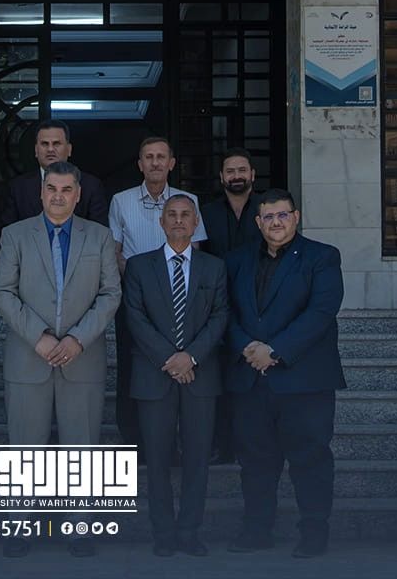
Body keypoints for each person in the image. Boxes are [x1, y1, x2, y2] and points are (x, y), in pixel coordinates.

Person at [0, 161, 121, 557]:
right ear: (41, 192)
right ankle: (19, 525)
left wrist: (79, 339)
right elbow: (3, 291)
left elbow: (111, 293)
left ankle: (79, 527)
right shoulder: (15, 235)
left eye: (67, 189)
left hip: (83, 357)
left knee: (82, 446)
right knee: (23, 448)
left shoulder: (99, 236)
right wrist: (39, 337)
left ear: (78, 195)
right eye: (52, 189)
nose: (59, 196)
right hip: (29, 356)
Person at [220, 188, 345, 558]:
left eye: (283, 215)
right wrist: (247, 346)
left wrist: (274, 351)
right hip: (251, 379)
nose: (276, 222)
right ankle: (257, 530)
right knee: (255, 462)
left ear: (296, 217)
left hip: (304, 381)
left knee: (311, 461)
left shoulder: (322, 257)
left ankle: (314, 533)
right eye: (269, 217)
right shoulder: (236, 260)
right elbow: (224, 312)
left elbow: (321, 312)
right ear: (258, 222)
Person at [121, 195, 227, 557]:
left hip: (201, 375)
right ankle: (163, 534)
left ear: (196, 223)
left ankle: (190, 532)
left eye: (185, 215)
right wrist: (170, 358)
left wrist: (190, 357)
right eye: (172, 215)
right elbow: (135, 317)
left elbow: (220, 316)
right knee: (157, 460)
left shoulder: (214, 267)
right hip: (155, 375)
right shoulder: (139, 266)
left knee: (197, 460)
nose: (179, 220)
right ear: (161, 222)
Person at [106, 135, 205, 445]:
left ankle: (176, 442)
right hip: (134, 301)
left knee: (179, 363)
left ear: (171, 163)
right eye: (149, 157)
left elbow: (195, 251)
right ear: (140, 164)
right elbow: (115, 253)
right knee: (131, 367)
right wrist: (145, 285)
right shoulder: (120, 201)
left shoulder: (188, 201)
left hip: (180, 300)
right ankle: (133, 439)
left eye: (161, 157)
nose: (155, 162)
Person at [198, 150, 263, 463]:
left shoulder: (266, 211)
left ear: (252, 175)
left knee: (253, 381)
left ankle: (252, 446)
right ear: (222, 177)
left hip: (258, 304)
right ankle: (222, 446)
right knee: (219, 378)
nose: (236, 176)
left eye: (242, 170)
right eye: (230, 171)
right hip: (215, 305)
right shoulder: (206, 212)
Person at [0, 119, 108, 228]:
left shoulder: (91, 186)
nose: (50, 149)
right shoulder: (17, 188)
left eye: (56, 143)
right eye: (44, 144)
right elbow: (8, 232)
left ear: (69, 149)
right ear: (36, 150)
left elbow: (99, 233)